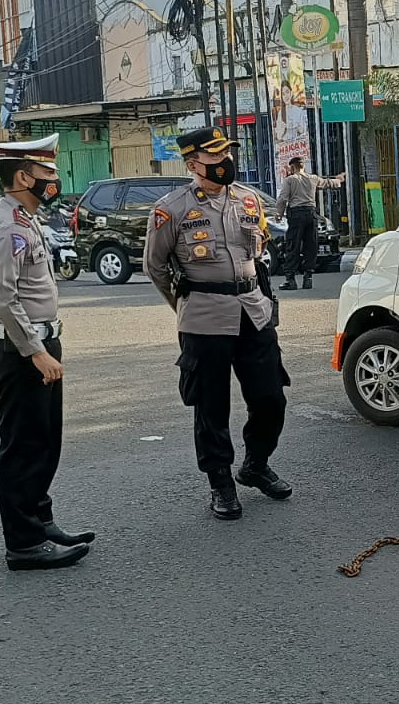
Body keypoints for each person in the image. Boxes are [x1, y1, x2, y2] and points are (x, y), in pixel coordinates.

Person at [144, 127, 293, 520]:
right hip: (204, 316)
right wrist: (185, 304)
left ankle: (255, 464)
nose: (224, 164)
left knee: (270, 397)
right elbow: (155, 267)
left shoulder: (247, 199)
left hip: (252, 310)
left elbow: (258, 250)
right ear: (193, 164)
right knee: (211, 407)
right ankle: (221, 483)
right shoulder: (171, 209)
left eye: (227, 156)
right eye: (214, 160)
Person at [0, 134, 94, 571]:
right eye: (46, 173)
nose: (55, 180)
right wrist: (35, 351)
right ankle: (23, 543)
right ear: (23, 176)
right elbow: (2, 297)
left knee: (44, 441)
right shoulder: (7, 226)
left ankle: (40, 522)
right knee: (24, 446)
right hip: (19, 347)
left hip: (34, 342)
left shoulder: (24, 219)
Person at [272, 157, 345, 291]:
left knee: (292, 246)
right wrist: (339, 180)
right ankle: (308, 278)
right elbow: (328, 183)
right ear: (303, 166)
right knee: (310, 246)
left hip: (296, 215)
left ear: (292, 167)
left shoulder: (289, 180)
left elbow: (283, 199)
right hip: (311, 214)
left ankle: (291, 279)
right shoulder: (313, 178)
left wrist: (279, 214)